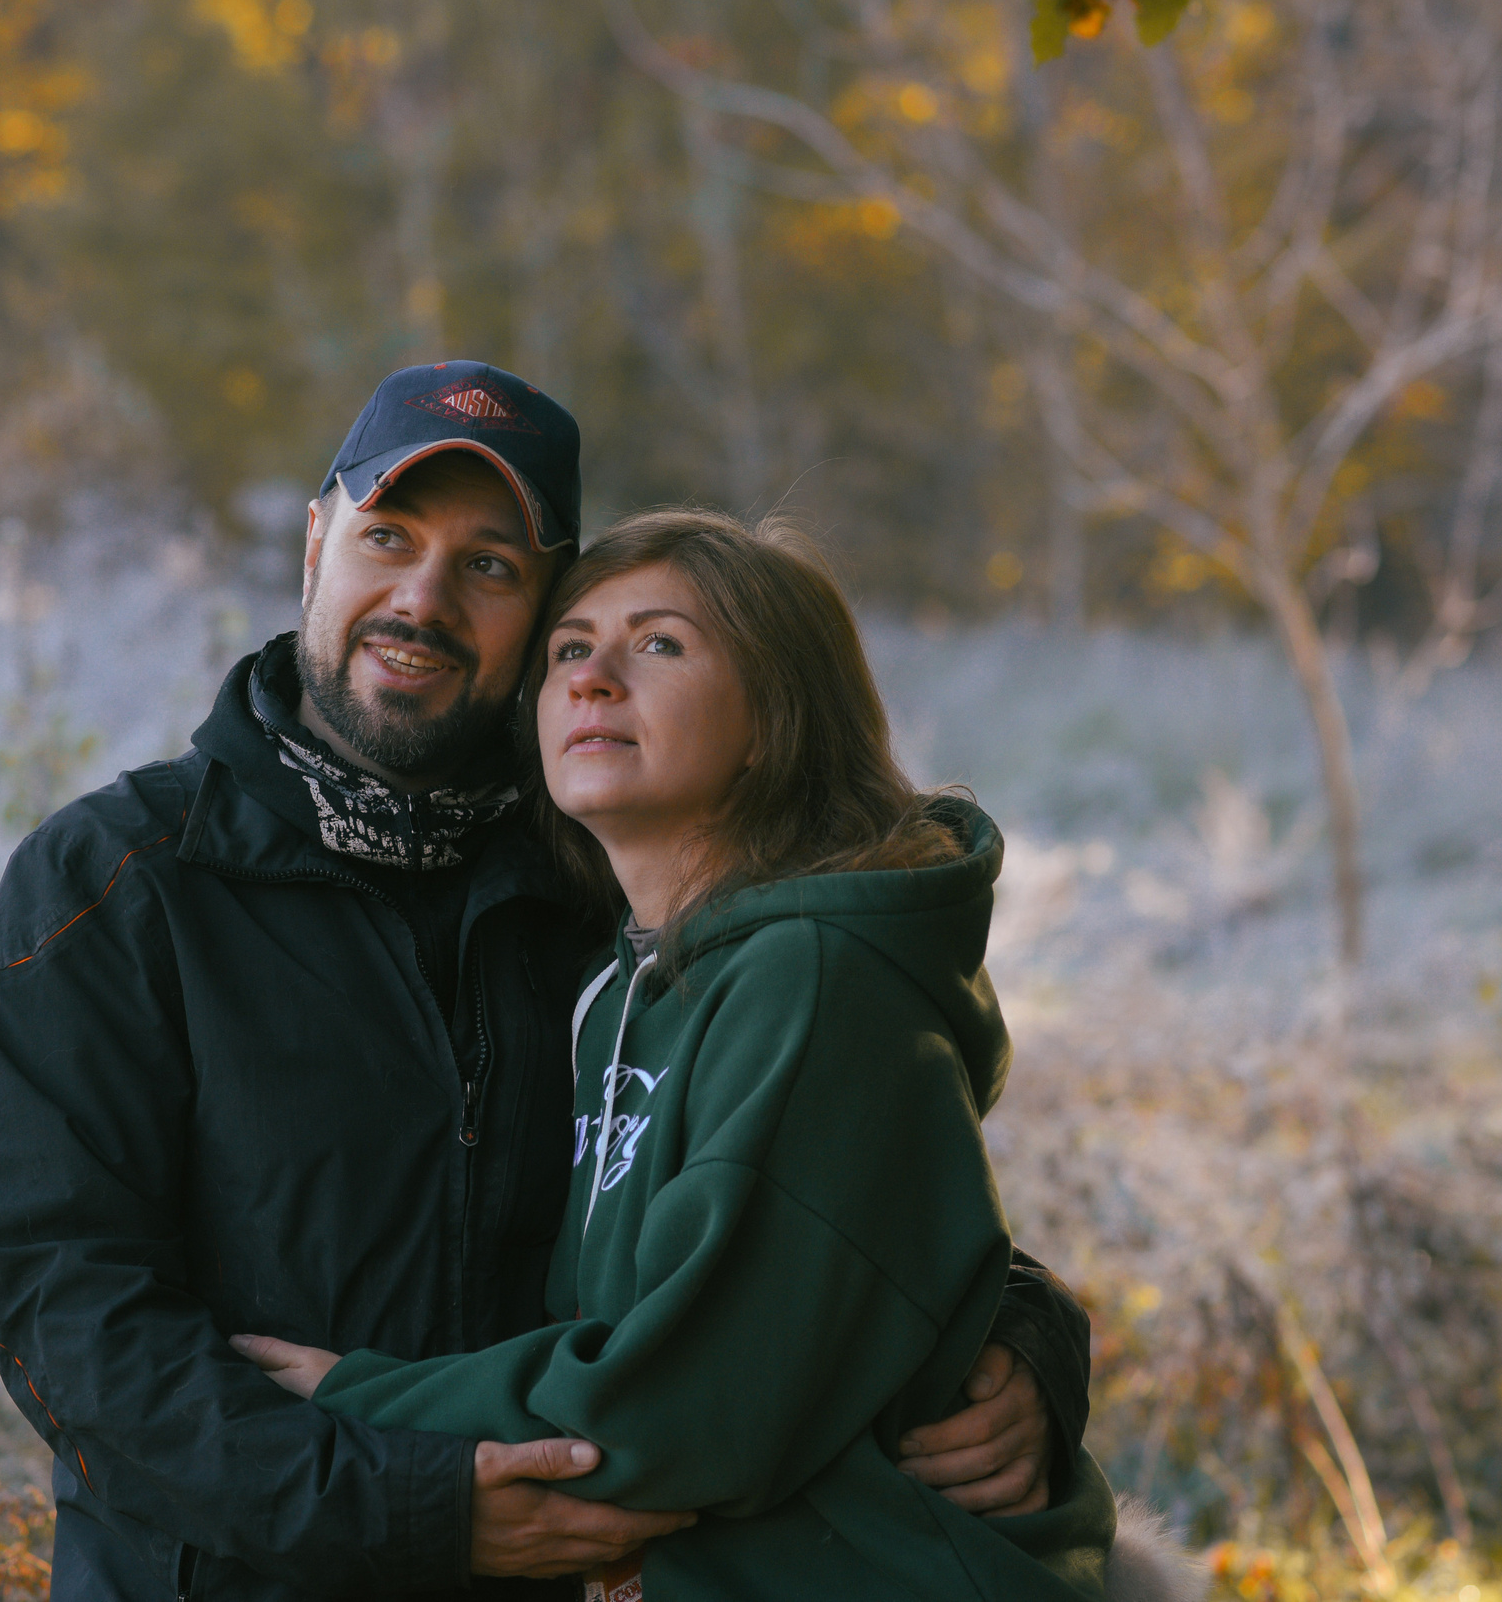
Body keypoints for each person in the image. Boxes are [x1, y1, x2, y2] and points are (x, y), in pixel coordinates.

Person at [0, 364, 1090, 1602]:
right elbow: (75, 1319)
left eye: (491, 566)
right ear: (315, 542)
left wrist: (1023, 1337)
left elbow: (820, 1193)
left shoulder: (611, 884)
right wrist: (411, 1508)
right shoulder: (118, 882)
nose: (423, 598)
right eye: (388, 537)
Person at [228, 509, 1128, 1601]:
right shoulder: (617, 982)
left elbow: (694, 1403)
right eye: (570, 648)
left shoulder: (813, 981)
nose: (592, 677)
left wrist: (358, 1397)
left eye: (660, 642)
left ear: (774, 721)